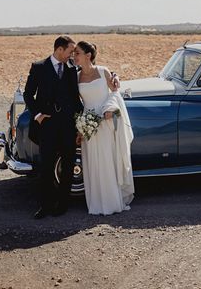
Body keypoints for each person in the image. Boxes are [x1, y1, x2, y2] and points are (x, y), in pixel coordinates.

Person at [23, 35, 83, 219]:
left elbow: (75, 98)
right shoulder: (39, 67)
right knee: (46, 167)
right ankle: (45, 206)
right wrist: (38, 115)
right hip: (47, 125)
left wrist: (81, 124)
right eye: (70, 51)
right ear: (59, 49)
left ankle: (62, 204)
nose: (72, 55)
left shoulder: (72, 69)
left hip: (67, 125)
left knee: (67, 164)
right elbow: (28, 95)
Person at [73, 41, 134, 215]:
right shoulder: (76, 77)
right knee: (92, 162)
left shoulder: (103, 71)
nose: (74, 56)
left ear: (88, 55)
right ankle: (97, 203)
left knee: (107, 161)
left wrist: (109, 108)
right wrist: (81, 126)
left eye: (77, 53)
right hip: (88, 124)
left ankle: (111, 203)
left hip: (105, 122)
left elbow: (115, 92)